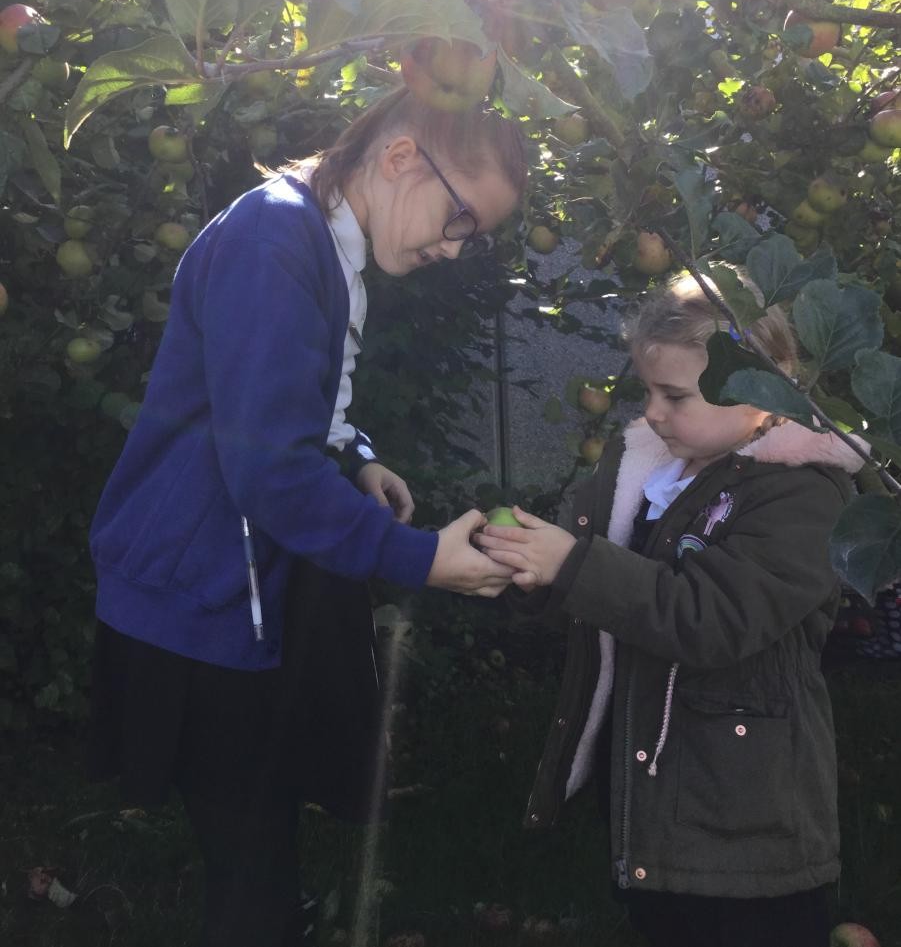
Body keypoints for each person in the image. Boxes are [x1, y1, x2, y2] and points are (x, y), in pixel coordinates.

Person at [87, 88, 527, 947]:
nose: (453, 246)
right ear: (402, 157)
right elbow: (270, 469)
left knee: (261, 847)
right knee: (248, 873)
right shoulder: (272, 239)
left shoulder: (322, 237)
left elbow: (295, 408)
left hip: (237, 589)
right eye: (460, 217)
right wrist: (416, 558)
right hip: (199, 603)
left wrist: (357, 455)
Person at [476, 273, 867, 947]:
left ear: (764, 388)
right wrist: (531, 572)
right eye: (647, 391)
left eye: (675, 395)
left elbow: (710, 617)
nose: (653, 412)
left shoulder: (802, 494)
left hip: (749, 830)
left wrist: (571, 563)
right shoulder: (644, 469)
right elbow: (598, 592)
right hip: (654, 806)